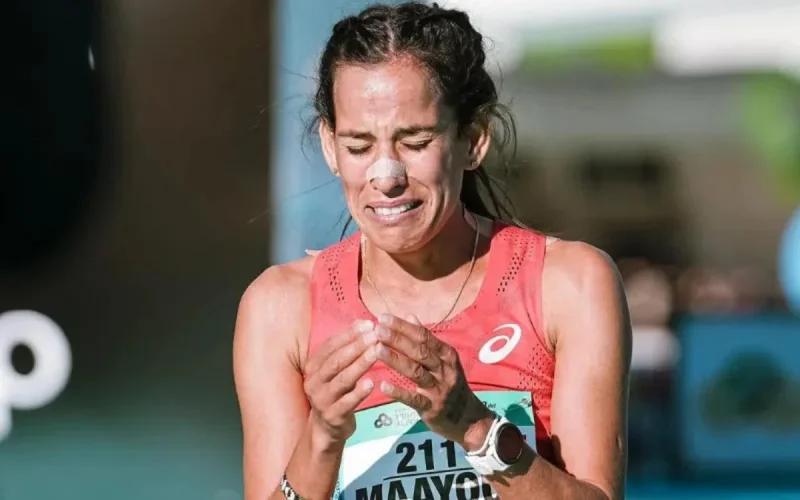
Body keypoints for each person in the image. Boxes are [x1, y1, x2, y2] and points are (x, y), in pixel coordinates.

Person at [234, 3, 631, 499]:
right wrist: (323, 436)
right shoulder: (281, 306)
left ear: (473, 139)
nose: (386, 176)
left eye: (415, 142)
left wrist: (473, 426)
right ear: (331, 148)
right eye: (359, 146)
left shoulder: (569, 283)